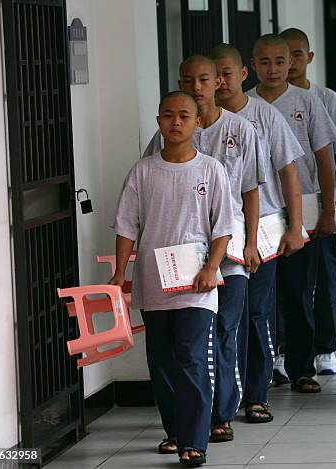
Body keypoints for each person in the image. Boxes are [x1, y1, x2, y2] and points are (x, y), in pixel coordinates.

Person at [110, 91, 234, 466]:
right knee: (162, 361)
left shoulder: (211, 169)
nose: (175, 122)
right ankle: (175, 431)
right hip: (153, 281)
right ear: (159, 120)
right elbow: (126, 224)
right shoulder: (144, 170)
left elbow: (223, 225)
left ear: (198, 122)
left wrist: (212, 267)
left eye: (184, 115)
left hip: (197, 283)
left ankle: (195, 441)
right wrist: (119, 272)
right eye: (168, 115)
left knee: (193, 358)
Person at [144, 55, 264, 442]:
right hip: (179, 264)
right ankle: (192, 421)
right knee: (190, 344)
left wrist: (250, 243)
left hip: (227, 255)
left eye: (203, 79)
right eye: (188, 79)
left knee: (224, 332)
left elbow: (249, 191)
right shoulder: (169, 130)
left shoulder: (241, 130)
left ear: (218, 82)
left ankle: (221, 413)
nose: (196, 86)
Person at [208, 42, 306, 422]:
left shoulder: (263, 116)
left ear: (241, 74)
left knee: (258, 312)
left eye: (225, 73)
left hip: (260, 228)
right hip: (212, 235)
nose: (218, 81)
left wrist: (295, 226)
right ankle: (222, 398)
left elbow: (289, 172)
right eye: (210, 75)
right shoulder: (199, 119)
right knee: (222, 317)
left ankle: (257, 394)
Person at [247, 34, 336, 393]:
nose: (273, 69)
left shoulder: (308, 101)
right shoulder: (245, 105)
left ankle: (302, 366)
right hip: (263, 209)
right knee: (264, 291)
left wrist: (330, 209)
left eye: (280, 61)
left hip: (306, 206)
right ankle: (271, 361)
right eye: (264, 62)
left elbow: (324, 158)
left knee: (300, 288)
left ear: (292, 64)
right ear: (252, 66)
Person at [281, 27, 336, 375]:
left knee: (324, 277)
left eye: (298, 54)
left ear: (309, 58)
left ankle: (325, 347)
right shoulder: (261, 100)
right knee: (285, 283)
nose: (292, 62)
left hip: (317, 201)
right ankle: (284, 349)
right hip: (276, 206)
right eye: (287, 56)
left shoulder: (325, 98)